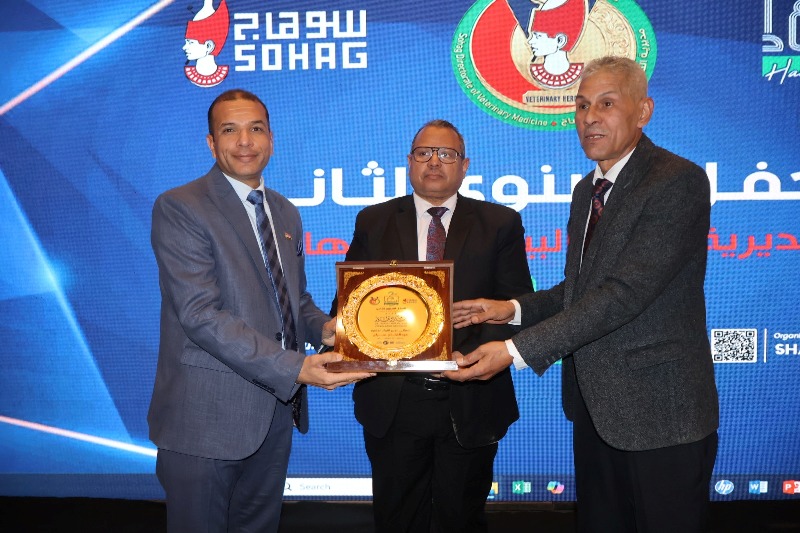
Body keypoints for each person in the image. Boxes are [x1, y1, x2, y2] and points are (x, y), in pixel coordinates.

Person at [444, 56, 719, 533]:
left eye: (606, 104)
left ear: (643, 111)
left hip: (661, 414)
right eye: (582, 105)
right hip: (595, 410)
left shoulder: (676, 180)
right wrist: (510, 309)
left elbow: (623, 294)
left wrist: (513, 352)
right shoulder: (585, 190)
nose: (590, 117)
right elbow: (581, 290)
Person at [148, 88, 372, 532]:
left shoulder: (284, 211)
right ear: (211, 143)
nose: (245, 141)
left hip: (273, 414)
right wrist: (296, 368)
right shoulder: (181, 207)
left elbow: (294, 299)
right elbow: (200, 315)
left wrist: (327, 330)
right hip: (206, 418)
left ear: (271, 139)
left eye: (256, 129)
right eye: (230, 130)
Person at [337, 119, 533, 532]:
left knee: (460, 519)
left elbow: (516, 306)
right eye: (424, 153)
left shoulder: (500, 222)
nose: (434, 162)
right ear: (409, 162)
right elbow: (351, 303)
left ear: (465, 165)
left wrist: (473, 356)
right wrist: (339, 339)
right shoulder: (374, 220)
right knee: (396, 519)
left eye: (446, 154)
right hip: (393, 399)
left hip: (469, 395)